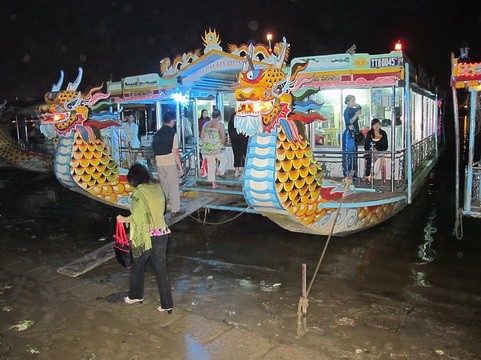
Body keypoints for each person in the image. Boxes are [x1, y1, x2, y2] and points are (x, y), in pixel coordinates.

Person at [116, 163, 173, 313]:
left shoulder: (139, 192)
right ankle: (167, 305)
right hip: (162, 233)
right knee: (161, 270)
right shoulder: (157, 187)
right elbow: (163, 209)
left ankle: (136, 296)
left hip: (147, 236)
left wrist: (125, 219)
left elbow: (139, 216)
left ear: (134, 179)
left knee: (138, 265)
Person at [152, 111, 185, 217]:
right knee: (173, 186)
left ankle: (161, 208)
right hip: (169, 162)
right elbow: (175, 151)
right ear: (172, 121)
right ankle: (175, 210)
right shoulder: (172, 133)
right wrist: (180, 167)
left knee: (164, 187)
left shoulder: (157, 133)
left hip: (159, 163)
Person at [200, 109, 227, 189]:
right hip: (217, 148)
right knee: (225, 158)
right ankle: (219, 171)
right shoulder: (220, 125)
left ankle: (213, 184)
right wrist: (223, 145)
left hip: (207, 149)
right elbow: (223, 138)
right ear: (219, 117)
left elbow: (202, 137)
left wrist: (205, 145)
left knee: (211, 166)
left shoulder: (205, 124)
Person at [342, 95, 362, 178]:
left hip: (354, 134)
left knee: (354, 155)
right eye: (352, 101)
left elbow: (360, 108)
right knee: (348, 155)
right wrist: (356, 115)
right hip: (349, 135)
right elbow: (348, 123)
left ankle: (353, 174)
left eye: (354, 100)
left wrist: (355, 104)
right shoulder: (347, 111)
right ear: (347, 102)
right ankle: (347, 175)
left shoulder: (354, 109)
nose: (353, 102)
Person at [228, 111, 249, 177]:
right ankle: (243, 171)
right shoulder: (245, 115)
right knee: (244, 153)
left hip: (234, 137)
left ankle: (236, 171)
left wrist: (231, 137)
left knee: (236, 154)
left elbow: (230, 128)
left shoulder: (233, 115)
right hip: (243, 137)